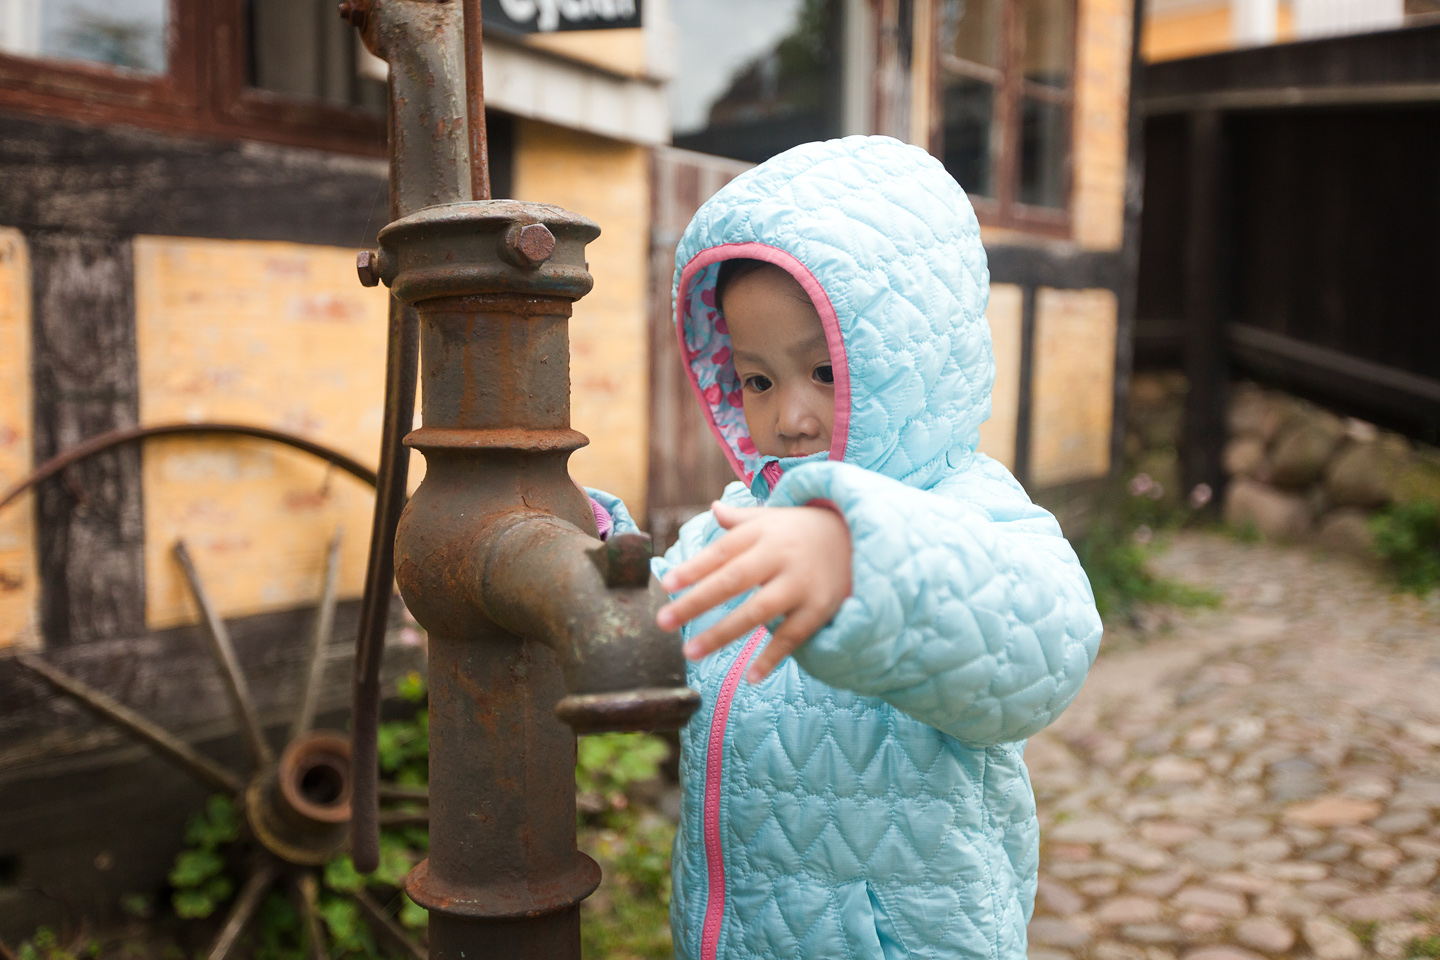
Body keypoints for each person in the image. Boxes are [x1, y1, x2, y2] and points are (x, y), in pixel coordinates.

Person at [587, 135, 1102, 960]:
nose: (789, 416)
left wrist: (863, 561)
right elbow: (662, 625)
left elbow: (1045, 648)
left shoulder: (967, 510)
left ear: (916, 356)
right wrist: (599, 559)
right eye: (757, 380)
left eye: (823, 371)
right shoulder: (737, 520)